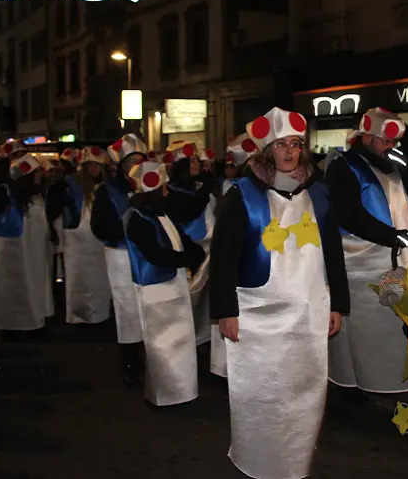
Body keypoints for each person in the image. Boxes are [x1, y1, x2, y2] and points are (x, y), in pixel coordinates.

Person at [209, 106, 349, 479]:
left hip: (308, 312)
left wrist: (339, 303)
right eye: (281, 144)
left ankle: (295, 464)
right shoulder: (242, 195)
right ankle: (256, 460)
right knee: (262, 395)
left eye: (296, 144)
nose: (289, 152)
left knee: (304, 395)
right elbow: (223, 257)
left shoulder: (317, 193)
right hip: (259, 315)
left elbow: (333, 252)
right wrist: (226, 310)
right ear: (265, 149)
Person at [325, 106, 408, 394]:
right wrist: (389, 236)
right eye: (386, 141)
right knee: (363, 333)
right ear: (367, 139)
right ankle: (355, 386)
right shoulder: (344, 164)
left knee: (397, 328)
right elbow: (348, 214)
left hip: (399, 257)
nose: (391, 148)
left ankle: (398, 382)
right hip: (362, 262)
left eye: (394, 143)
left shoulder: (388, 162)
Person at [124, 160, 206, 407]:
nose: (167, 192)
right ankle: (164, 395)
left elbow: (182, 239)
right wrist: (186, 259)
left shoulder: (162, 213)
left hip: (175, 285)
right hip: (155, 289)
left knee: (181, 343)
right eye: (163, 188)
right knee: (162, 345)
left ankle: (183, 391)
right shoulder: (137, 218)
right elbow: (155, 254)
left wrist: (197, 254)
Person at [91, 133, 148, 385]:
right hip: (121, 254)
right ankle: (130, 363)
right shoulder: (107, 190)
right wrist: (127, 230)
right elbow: (100, 226)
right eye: (131, 160)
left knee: (149, 307)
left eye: (140, 159)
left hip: (146, 255)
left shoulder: (150, 184)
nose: (136, 164)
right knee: (127, 308)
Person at [0, 154, 53, 335]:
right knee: (16, 287)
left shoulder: (36, 195)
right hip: (15, 251)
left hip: (35, 251)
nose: (41, 175)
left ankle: (35, 319)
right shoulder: (9, 194)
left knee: (34, 284)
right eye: (37, 172)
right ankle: (15, 326)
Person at [48, 146, 113, 325]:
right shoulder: (68, 184)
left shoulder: (106, 186)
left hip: (98, 242)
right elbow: (53, 208)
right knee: (78, 281)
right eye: (91, 165)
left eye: (98, 165)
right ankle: (79, 317)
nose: (95, 169)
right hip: (76, 241)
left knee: (99, 281)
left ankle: (100, 316)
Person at [163, 141, 216, 347]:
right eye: (192, 161)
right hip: (191, 250)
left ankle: (200, 336)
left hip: (205, 249)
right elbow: (191, 210)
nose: (197, 164)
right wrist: (207, 186)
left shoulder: (194, 186)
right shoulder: (173, 192)